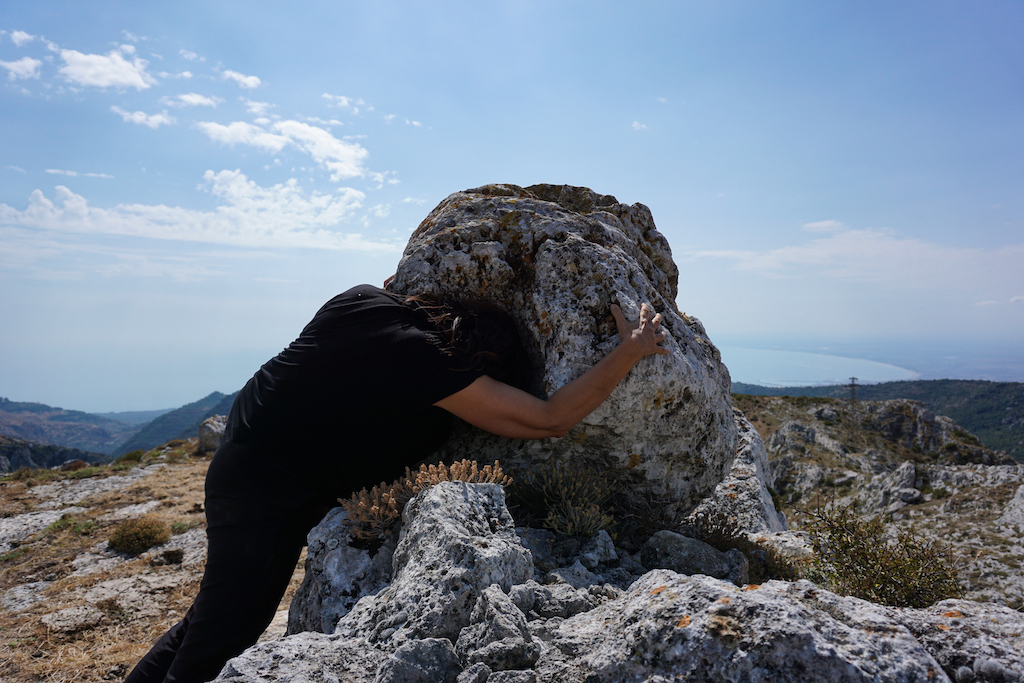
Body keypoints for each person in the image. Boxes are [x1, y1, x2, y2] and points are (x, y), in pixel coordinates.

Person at [125, 283, 668, 683]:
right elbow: (549, 419)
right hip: (267, 494)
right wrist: (630, 349)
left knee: (212, 617)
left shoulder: (365, 299)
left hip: (240, 452)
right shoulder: (427, 365)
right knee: (223, 635)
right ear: (482, 361)